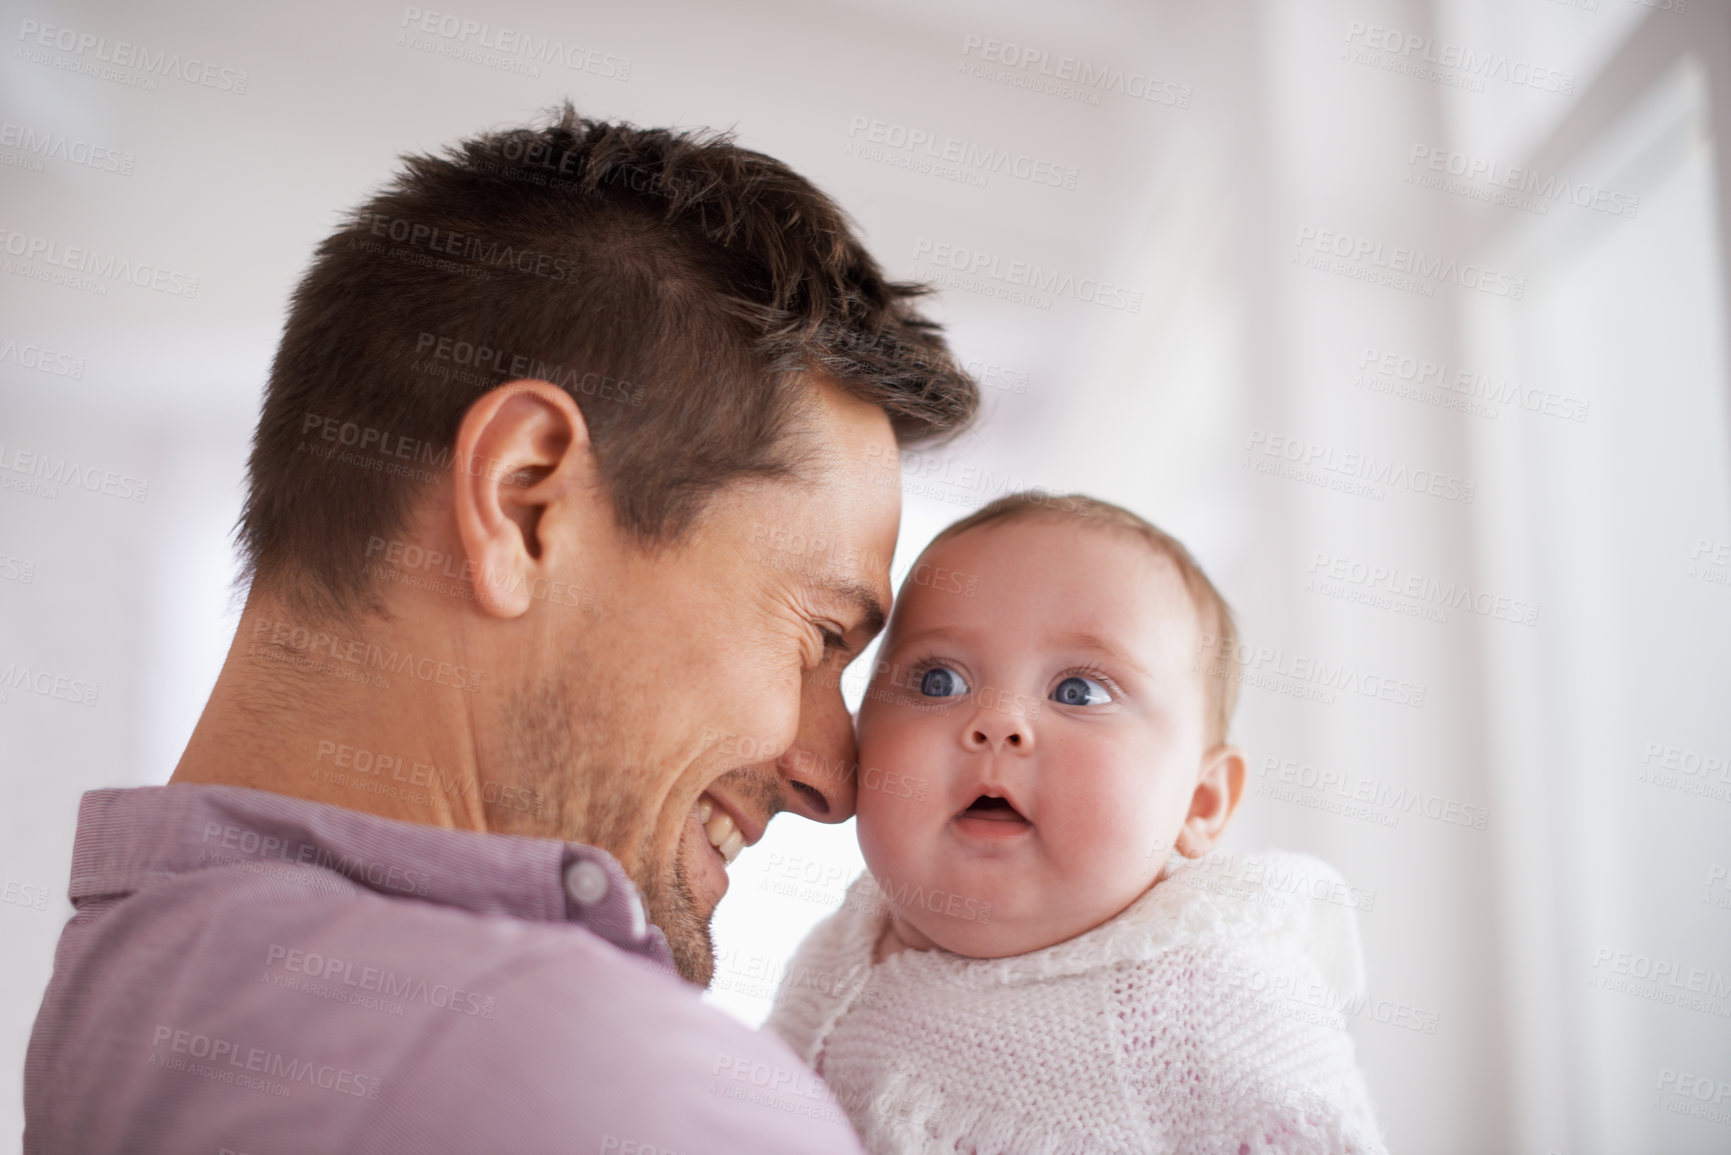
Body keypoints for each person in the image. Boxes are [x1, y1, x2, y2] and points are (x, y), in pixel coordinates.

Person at [22, 104, 979, 1155]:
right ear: (524, 503)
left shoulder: (132, 986)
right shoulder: (610, 1082)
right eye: (819, 637)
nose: (835, 782)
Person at [768, 492, 1387, 1154]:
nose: (997, 720)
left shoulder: (1210, 999)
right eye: (938, 679)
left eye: (1078, 692)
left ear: (1199, 802)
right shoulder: (840, 945)